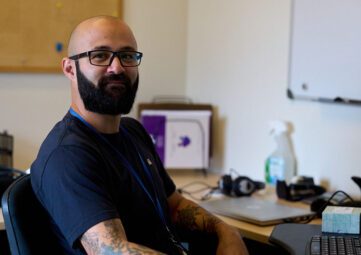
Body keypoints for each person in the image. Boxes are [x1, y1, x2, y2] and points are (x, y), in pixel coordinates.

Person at [30, 16, 249, 255]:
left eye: (127, 56)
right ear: (70, 69)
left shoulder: (133, 131)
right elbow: (112, 251)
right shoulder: (67, 154)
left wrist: (226, 232)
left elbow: (174, 206)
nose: (117, 68)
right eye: (100, 55)